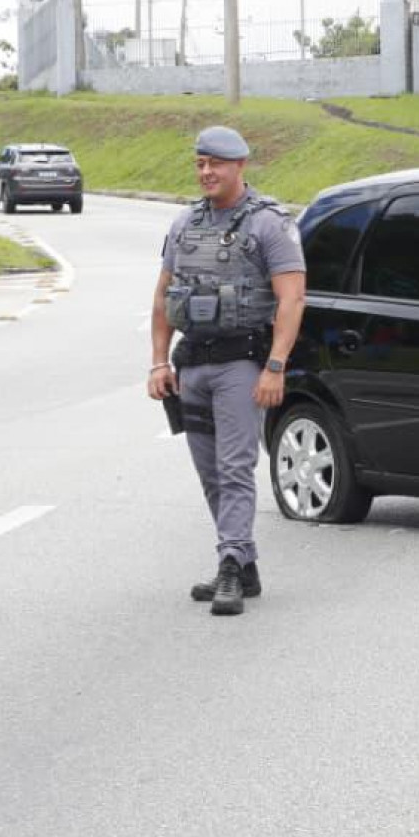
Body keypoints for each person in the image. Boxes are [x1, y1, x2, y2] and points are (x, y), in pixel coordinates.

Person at [147, 126, 307, 617]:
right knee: (210, 473)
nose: (206, 172)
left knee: (235, 468)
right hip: (193, 364)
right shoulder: (184, 224)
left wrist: (275, 366)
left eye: (215, 163)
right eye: (199, 163)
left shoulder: (268, 224)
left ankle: (231, 566)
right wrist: (158, 360)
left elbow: (292, 298)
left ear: (241, 165)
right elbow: (162, 297)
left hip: (242, 364)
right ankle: (243, 562)